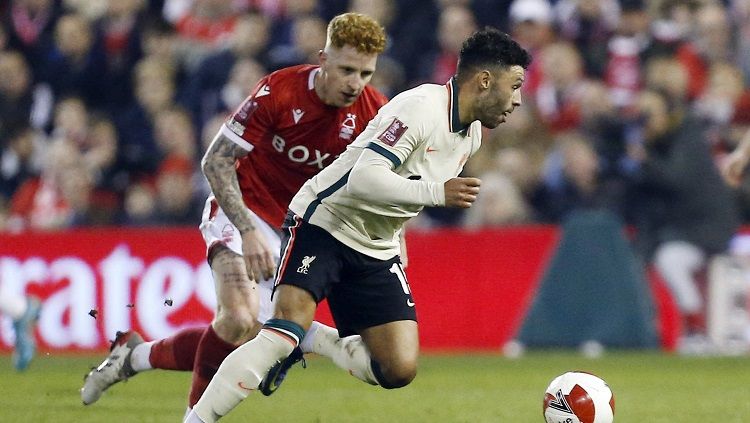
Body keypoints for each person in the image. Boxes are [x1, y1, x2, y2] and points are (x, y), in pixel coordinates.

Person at [186, 27, 531, 422]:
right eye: (515, 85)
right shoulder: (420, 107)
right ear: (485, 80)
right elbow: (364, 177)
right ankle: (196, 418)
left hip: (375, 245)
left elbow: (401, 190)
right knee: (279, 333)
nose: (518, 99)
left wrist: (397, 238)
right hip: (325, 221)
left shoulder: (471, 136)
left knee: (398, 370)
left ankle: (314, 339)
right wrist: (437, 193)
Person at [80, 12, 388, 410]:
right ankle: (199, 413)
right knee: (240, 319)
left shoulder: (372, 112)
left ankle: (133, 356)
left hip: (297, 231)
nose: (355, 83)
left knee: (244, 335)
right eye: (347, 69)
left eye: (365, 73)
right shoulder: (278, 91)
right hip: (242, 208)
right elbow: (215, 162)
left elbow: (375, 189)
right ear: (323, 59)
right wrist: (247, 230)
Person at [0, 289, 40, 371]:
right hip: (26, 308)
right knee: (20, 339)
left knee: (22, 338)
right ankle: (21, 365)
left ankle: (23, 363)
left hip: (26, 311)